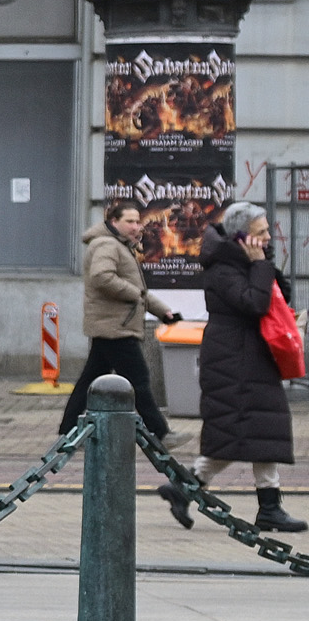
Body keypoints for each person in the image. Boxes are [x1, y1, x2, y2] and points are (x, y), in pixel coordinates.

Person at [180, 201, 296, 532]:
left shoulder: (248, 261)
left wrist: (265, 264)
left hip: (251, 357)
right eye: (261, 233)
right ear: (242, 236)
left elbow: (280, 296)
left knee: (259, 428)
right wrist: (260, 265)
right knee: (244, 429)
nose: (268, 239)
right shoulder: (222, 269)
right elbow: (254, 303)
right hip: (233, 359)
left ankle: (265, 505)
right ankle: (264, 506)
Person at [64, 200, 170, 448]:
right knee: (138, 379)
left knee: (89, 383)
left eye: (137, 221)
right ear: (114, 222)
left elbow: (139, 292)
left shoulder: (119, 246)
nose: (136, 226)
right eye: (129, 221)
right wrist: (132, 294)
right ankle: (160, 432)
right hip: (114, 326)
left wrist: (164, 312)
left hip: (113, 325)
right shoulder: (106, 245)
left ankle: (67, 430)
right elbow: (102, 277)